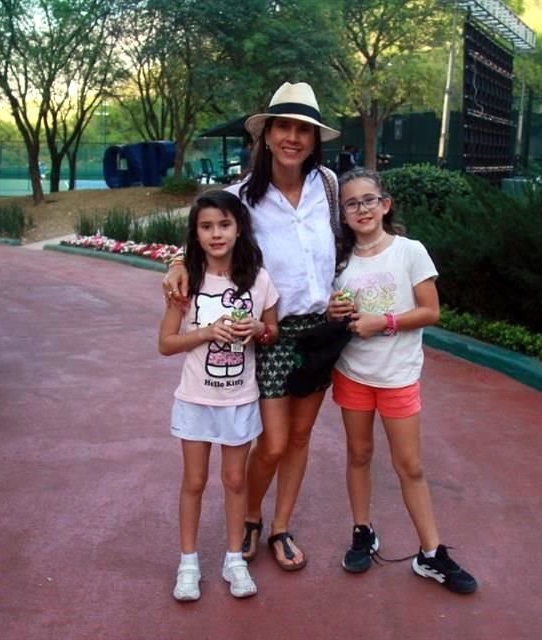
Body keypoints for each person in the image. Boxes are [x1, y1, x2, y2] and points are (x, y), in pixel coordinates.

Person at [163, 81, 341, 572]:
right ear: (266, 135)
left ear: (314, 138)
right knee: (275, 441)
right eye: (284, 126)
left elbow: (359, 234)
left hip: (322, 329)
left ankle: (280, 526)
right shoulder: (243, 196)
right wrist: (178, 263)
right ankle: (251, 517)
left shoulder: (328, 186)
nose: (293, 138)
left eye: (304, 129)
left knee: (301, 437)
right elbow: (208, 235)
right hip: (268, 332)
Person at [325, 168, 478, 595]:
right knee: (358, 454)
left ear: (385, 204)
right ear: (343, 214)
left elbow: (431, 311)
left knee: (409, 465)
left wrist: (383, 321)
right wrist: (334, 314)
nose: (361, 209)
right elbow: (334, 315)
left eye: (368, 200)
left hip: (398, 376)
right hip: (353, 373)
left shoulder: (410, 251)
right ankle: (362, 531)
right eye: (352, 203)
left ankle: (430, 553)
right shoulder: (340, 263)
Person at [158, 190, 280, 601]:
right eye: (206, 226)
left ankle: (234, 560)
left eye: (224, 224)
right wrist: (209, 332)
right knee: (193, 481)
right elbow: (166, 342)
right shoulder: (186, 281)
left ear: (239, 227)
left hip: (240, 399)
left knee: (233, 479)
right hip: (195, 398)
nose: (216, 234)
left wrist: (256, 331)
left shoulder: (258, 279)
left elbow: (271, 330)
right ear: (195, 233)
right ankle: (188, 563)